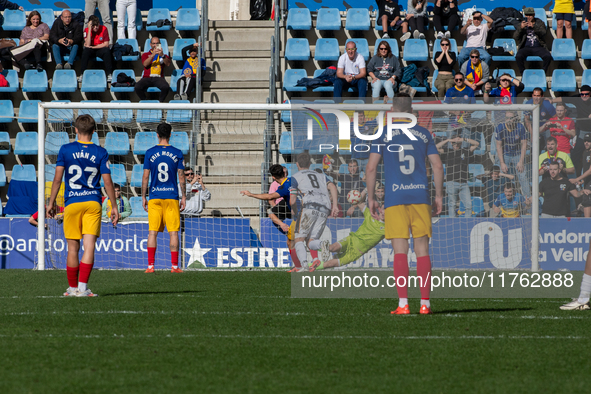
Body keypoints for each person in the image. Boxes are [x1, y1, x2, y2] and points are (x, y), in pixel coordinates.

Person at [364, 95, 444, 315]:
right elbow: (437, 166)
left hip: (394, 198)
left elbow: (371, 169)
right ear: (411, 111)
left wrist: (371, 199)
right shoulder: (423, 133)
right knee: (422, 251)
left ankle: (403, 305)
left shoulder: (382, 133)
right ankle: (425, 304)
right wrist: (438, 196)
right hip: (420, 197)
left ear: (391, 109)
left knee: (400, 251)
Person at [46, 114, 119, 297]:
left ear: (76, 130)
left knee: (73, 248)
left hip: (72, 203)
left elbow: (57, 179)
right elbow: (108, 183)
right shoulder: (101, 152)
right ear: (94, 132)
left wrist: (51, 202)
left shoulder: (65, 149)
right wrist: (114, 206)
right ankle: (83, 288)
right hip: (93, 203)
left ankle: (72, 289)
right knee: (89, 247)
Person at [142, 122, 186, 273]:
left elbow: (146, 176)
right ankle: (174, 266)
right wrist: (184, 196)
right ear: (171, 135)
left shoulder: (149, 152)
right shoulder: (177, 152)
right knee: (173, 232)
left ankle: (150, 266)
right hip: (171, 197)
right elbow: (181, 177)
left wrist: (143, 196)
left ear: (157, 135)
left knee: (152, 232)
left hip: (155, 196)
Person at [311, 190, 386, 271]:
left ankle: (310, 268)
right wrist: (366, 190)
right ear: (379, 209)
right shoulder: (370, 215)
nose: (384, 212)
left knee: (329, 264)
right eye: (383, 209)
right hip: (351, 240)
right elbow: (359, 202)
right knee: (332, 248)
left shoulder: (387, 228)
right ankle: (312, 244)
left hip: (356, 252)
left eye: (386, 211)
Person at [291, 153, 339, 271]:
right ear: (310, 164)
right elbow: (332, 186)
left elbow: (292, 200)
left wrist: (296, 211)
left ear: (297, 164)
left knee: (299, 239)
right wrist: (335, 206)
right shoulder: (321, 175)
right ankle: (322, 244)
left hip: (309, 207)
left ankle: (304, 266)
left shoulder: (295, 177)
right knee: (311, 241)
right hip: (325, 208)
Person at [436, 135, 479, 217]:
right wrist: (448, 140)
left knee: (469, 205)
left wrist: (463, 139)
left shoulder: (465, 151)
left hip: (463, 183)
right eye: (454, 143)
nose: (456, 144)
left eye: (458, 143)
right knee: (452, 205)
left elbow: (476, 144)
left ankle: (467, 223)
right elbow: (435, 147)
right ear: (452, 143)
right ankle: (452, 223)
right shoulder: (448, 151)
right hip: (451, 182)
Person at [555, 85, 591, 177]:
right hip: (582, 131)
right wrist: (551, 100)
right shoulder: (578, 99)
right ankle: (575, 178)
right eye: (582, 94)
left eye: (586, 94)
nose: (584, 96)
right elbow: (563, 99)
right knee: (576, 155)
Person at [494, 111, 530, 198]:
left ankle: (529, 201)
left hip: (517, 154)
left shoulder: (520, 127)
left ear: (515, 118)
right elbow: (498, 146)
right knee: (501, 176)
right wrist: (502, 163)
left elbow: (524, 144)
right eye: (507, 118)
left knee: (522, 176)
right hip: (505, 155)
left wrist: (521, 161)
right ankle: (500, 201)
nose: (509, 120)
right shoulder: (500, 127)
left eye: (511, 118)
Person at [515, 8, 552, 75]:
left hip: (538, 47)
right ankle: (523, 74)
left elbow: (543, 33)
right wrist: (521, 28)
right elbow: (515, 37)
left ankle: (543, 73)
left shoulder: (540, 22)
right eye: (527, 15)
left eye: (530, 15)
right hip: (526, 47)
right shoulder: (522, 23)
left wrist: (534, 27)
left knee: (548, 56)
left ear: (534, 15)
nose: (528, 17)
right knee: (518, 56)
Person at [135, 37, 172, 102]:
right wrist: (153, 55)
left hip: (158, 77)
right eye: (153, 43)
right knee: (137, 87)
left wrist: (162, 55)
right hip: (147, 77)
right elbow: (145, 64)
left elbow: (168, 64)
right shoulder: (145, 54)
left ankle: (160, 103)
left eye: (157, 43)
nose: (155, 45)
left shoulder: (164, 55)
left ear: (160, 44)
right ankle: (145, 101)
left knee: (165, 87)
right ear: (150, 44)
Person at [80, 15, 113, 83]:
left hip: (99, 48)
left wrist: (93, 47)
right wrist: (89, 30)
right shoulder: (86, 30)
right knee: (85, 51)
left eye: (97, 26)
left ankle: (109, 74)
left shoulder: (104, 28)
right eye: (93, 26)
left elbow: (106, 44)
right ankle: (82, 73)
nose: (95, 28)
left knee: (107, 51)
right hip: (90, 49)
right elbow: (87, 44)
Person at [525, 88, 556, 152]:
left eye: (538, 96)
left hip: (547, 128)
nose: (536, 98)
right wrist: (532, 133)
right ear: (532, 95)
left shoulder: (547, 105)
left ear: (542, 96)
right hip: (535, 128)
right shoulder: (528, 104)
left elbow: (555, 118)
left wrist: (548, 124)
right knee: (534, 147)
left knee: (549, 145)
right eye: (534, 95)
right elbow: (527, 120)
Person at [571, 134, 591, 217]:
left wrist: (576, 179)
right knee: (586, 199)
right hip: (587, 182)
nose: (586, 143)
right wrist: (582, 181)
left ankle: (587, 224)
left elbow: (590, 171)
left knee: (587, 199)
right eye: (585, 141)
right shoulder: (585, 153)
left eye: (589, 141)